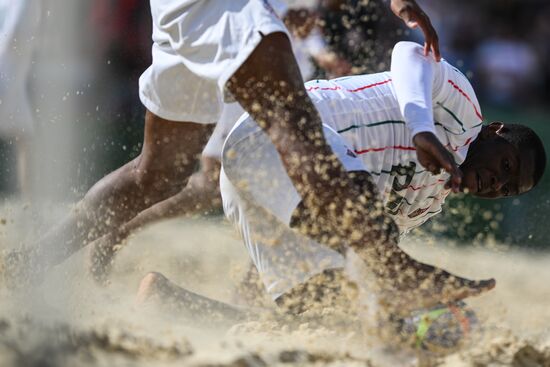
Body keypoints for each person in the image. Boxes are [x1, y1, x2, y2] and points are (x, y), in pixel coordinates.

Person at [6, 0, 489, 308]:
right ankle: (391, 267)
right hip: (227, 12)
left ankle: (32, 261)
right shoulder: (456, 114)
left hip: (185, 13)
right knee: (295, 137)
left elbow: (306, 22)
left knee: (158, 173)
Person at [134, 41, 546, 315]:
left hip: (264, 187)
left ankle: (166, 303)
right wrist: (420, 126)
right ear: (496, 131)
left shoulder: (429, 202)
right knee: (367, 224)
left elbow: (353, 242)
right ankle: (405, 273)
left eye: (507, 190)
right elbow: (408, 53)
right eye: (507, 166)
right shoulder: (465, 111)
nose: (497, 183)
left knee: (318, 319)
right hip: (277, 134)